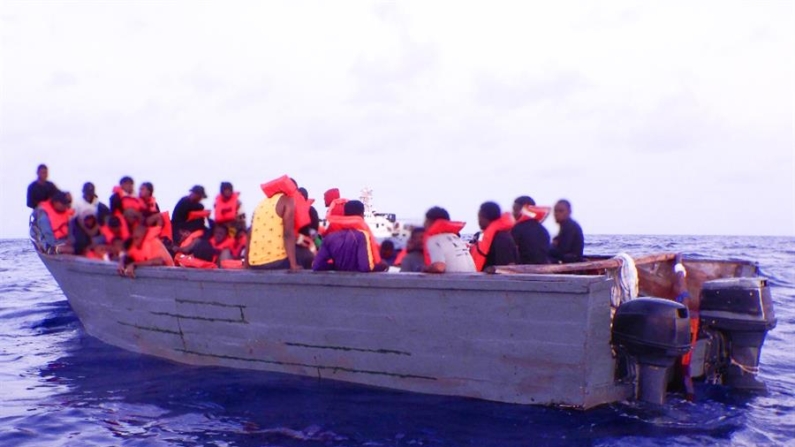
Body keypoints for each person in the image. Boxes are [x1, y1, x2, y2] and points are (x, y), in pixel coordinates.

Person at [312, 200, 385, 272]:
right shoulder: (362, 236)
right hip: (356, 281)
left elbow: (317, 265)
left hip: (336, 281)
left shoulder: (329, 237)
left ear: (345, 214)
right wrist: (381, 266)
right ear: (361, 215)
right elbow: (365, 267)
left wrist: (335, 266)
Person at [246, 175, 300, 270]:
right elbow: (288, 234)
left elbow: (250, 234)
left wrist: (246, 265)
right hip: (276, 262)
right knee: (304, 255)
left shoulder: (261, 204)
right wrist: (293, 265)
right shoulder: (288, 200)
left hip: (254, 263)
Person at [422, 207, 476, 273]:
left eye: (425, 220)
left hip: (454, 282)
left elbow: (439, 267)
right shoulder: (455, 237)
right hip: (472, 280)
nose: (423, 224)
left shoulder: (434, 240)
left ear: (429, 222)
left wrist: (425, 269)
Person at [470, 202, 518, 271]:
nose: (479, 221)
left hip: (493, 280)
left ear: (484, 217)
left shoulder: (502, 238)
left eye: (479, 217)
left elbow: (507, 268)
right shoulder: (480, 236)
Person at [511, 196, 551, 265]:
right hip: (542, 271)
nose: (513, 213)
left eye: (516, 210)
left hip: (523, 271)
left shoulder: (517, 229)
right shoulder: (544, 230)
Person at [549, 199, 584, 264]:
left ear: (569, 212)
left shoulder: (570, 226)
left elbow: (562, 250)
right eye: (555, 211)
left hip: (573, 264)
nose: (556, 214)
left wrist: (548, 248)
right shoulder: (565, 226)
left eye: (561, 211)